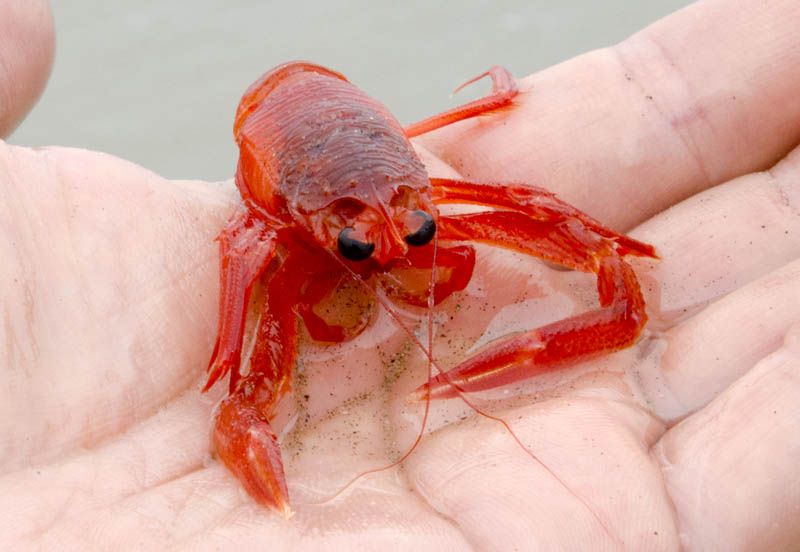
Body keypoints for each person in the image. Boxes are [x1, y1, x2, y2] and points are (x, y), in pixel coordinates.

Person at [1, 0, 798, 549]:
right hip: (293, 125)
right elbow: (243, 262)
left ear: (425, 200)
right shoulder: (267, 236)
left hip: (360, 138)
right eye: (358, 246)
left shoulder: (421, 204)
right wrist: (235, 375)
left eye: (417, 230)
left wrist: (594, 277)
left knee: (591, 249)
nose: (398, 249)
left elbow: (578, 243)